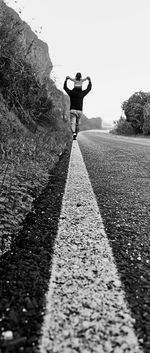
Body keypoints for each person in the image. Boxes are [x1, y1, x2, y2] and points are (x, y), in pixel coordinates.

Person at [63, 73, 92, 139]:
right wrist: (89, 81)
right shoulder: (82, 93)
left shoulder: (71, 93)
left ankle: (73, 133)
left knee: (73, 123)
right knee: (77, 124)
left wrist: (66, 80)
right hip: (79, 111)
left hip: (72, 110)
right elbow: (89, 88)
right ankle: (76, 134)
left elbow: (65, 88)